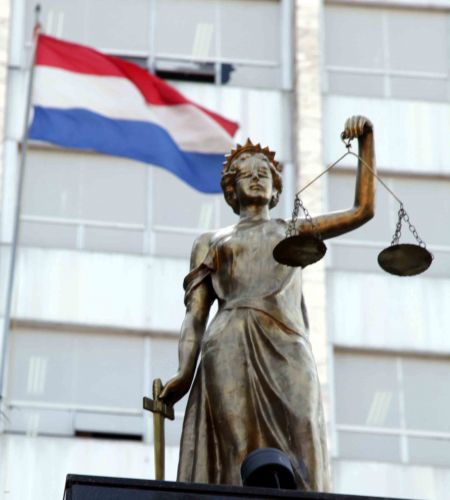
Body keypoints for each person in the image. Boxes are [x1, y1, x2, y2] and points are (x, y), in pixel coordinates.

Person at [160, 116, 376, 490]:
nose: (256, 177)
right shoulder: (210, 241)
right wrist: (183, 372)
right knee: (236, 446)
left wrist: (366, 143)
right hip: (228, 342)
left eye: (264, 173)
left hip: (288, 344)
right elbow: (195, 315)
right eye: (246, 173)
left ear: (276, 187)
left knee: (304, 429)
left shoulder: (292, 231)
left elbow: (362, 211)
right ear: (232, 188)